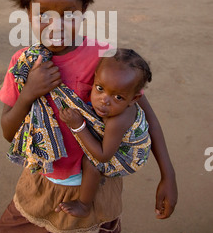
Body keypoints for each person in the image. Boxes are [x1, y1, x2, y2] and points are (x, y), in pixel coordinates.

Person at [0, 0, 177, 233]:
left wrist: (167, 175)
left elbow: (146, 115)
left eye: (69, 14)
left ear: (83, 12)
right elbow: (7, 131)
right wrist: (29, 93)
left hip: (90, 184)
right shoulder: (23, 65)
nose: (56, 26)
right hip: (43, 174)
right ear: (27, 12)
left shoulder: (103, 58)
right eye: (43, 15)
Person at [57, 48, 152, 218]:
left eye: (118, 98)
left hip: (130, 156)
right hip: (121, 142)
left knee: (91, 163)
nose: (104, 101)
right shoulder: (113, 107)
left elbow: (103, 156)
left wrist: (78, 126)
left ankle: (84, 205)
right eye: (100, 88)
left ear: (134, 99)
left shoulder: (118, 120)